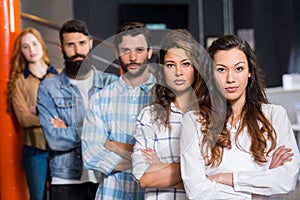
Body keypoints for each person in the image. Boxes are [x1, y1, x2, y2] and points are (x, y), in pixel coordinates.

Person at [180, 34, 300, 199]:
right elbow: (197, 191)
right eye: (221, 70)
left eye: (239, 69)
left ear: (250, 72)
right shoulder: (193, 120)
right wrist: (260, 189)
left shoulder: (275, 115)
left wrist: (226, 178)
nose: (230, 79)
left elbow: (286, 181)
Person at [36, 19, 118, 200]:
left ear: (90, 44)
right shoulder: (48, 88)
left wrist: (68, 130)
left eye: (81, 43)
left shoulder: (110, 84)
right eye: (70, 45)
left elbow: (119, 133)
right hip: (65, 182)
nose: (77, 51)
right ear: (61, 48)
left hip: (105, 177)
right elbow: (53, 139)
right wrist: (98, 133)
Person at [81, 21, 156, 199]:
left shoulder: (164, 98)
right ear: (116, 53)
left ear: (149, 52)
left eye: (139, 50)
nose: (132, 58)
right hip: (111, 194)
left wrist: (113, 145)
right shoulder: (100, 99)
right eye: (125, 50)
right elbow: (91, 154)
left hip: (151, 195)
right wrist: (143, 160)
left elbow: (167, 154)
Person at [131, 29, 208, 200]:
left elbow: (220, 173)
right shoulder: (149, 116)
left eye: (185, 64)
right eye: (170, 65)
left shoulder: (211, 116)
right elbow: (144, 177)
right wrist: (196, 172)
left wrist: (161, 167)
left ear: (196, 68)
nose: (178, 71)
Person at [6, 27, 59, 200]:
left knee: (62, 196)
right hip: (35, 150)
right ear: (20, 52)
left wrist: (37, 110)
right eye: (25, 47)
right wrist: (51, 114)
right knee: (38, 197)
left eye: (34, 44)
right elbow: (24, 119)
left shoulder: (59, 76)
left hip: (60, 149)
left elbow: (68, 111)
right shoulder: (19, 81)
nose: (31, 50)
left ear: (42, 45)